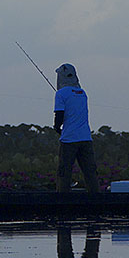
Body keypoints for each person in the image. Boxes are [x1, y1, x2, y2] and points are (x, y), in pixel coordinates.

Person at [53, 63, 98, 193]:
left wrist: (57, 128)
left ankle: (62, 197)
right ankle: (95, 197)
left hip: (69, 139)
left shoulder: (60, 94)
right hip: (86, 138)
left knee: (64, 170)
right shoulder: (83, 93)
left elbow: (59, 115)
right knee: (90, 170)